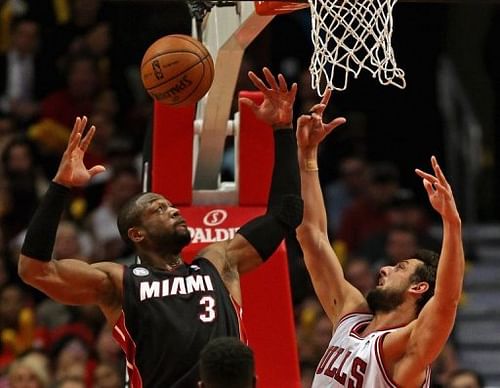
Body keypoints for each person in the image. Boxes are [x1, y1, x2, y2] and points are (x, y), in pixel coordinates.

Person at [17, 67, 302, 387]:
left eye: (171, 206)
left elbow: (285, 214)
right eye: (158, 209)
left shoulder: (219, 262)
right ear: (136, 234)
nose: (174, 212)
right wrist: (60, 187)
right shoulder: (118, 282)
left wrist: (282, 127)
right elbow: (35, 270)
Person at [296, 89, 464, 387]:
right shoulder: (350, 314)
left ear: (419, 287)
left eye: (399, 268)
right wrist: (307, 158)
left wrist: (452, 224)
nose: (383, 269)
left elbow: (447, 301)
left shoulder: (403, 349)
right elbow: (312, 237)